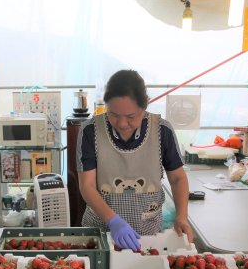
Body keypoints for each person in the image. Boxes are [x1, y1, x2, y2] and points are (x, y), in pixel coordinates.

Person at [77, 69, 193, 251]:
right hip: (101, 232)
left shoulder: (162, 131)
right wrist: (113, 220)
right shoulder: (90, 131)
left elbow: (178, 178)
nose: (122, 123)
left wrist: (182, 217)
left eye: (131, 116)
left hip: (147, 235)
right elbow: (87, 186)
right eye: (114, 114)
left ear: (144, 106)